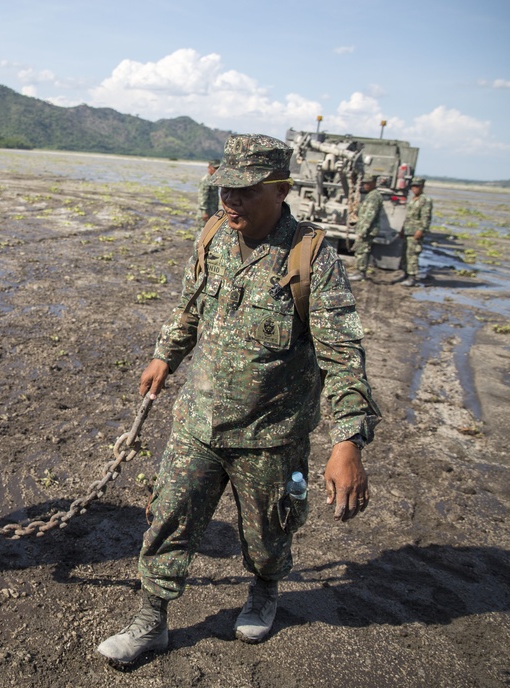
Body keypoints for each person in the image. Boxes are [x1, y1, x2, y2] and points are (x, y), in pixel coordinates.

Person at [97, 134, 381, 665]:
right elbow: (188, 308)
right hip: (199, 423)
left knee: (270, 535)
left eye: (245, 190)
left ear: (280, 190)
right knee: (169, 517)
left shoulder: (310, 256)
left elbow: (343, 354)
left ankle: (265, 590)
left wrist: (348, 441)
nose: (230, 199)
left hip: (271, 436)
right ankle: (151, 618)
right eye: (225, 187)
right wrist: (166, 355)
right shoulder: (212, 236)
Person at [350, 176, 384, 282]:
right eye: (364, 183)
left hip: (367, 230)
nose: (365, 185)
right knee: (360, 250)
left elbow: (369, 216)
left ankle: (361, 272)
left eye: (368, 183)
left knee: (363, 251)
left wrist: (362, 231)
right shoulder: (370, 195)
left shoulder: (374, 196)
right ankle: (358, 270)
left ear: (374, 183)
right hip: (365, 229)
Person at [399, 177, 432, 287]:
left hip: (415, 232)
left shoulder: (425, 200)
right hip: (408, 231)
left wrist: (421, 230)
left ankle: (412, 276)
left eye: (417, 186)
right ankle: (406, 273)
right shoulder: (413, 199)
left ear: (422, 187)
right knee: (405, 254)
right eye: (413, 186)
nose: (414, 188)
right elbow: (408, 217)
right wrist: (402, 229)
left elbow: (425, 217)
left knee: (412, 255)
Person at [198, 160, 220, 227]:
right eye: (215, 168)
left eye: (218, 168)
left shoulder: (214, 179)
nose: (217, 170)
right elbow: (202, 197)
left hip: (213, 210)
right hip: (206, 212)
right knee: (203, 233)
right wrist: (205, 212)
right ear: (209, 167)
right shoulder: (206, 180)